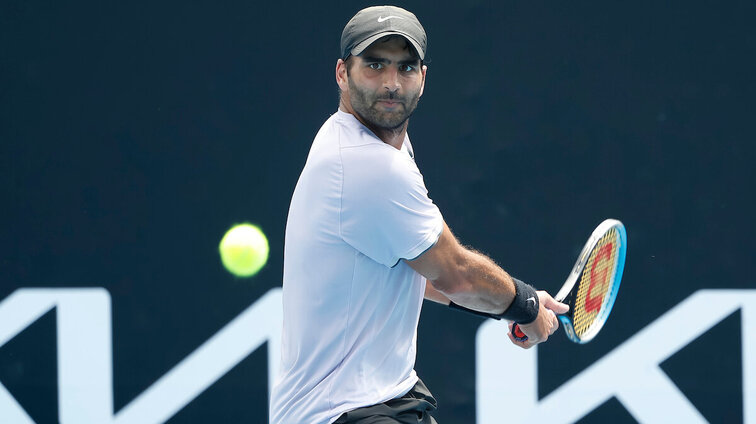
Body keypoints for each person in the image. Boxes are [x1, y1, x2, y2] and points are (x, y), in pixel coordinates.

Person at [269, 6, 569, 424]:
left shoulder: (366, 142)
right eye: (374, 65)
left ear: (422, 78)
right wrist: (524, 304)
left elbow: (419, 272)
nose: (391, 83)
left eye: (405, 67)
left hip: (381, 399)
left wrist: (515, 303)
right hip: (343, 413)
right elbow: (456, 273)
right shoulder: (368, 164)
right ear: (342, 73)